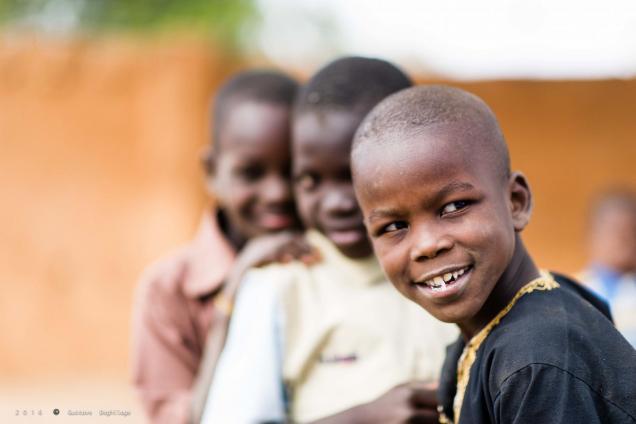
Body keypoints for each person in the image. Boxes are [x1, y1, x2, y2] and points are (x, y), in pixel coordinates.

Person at [351, 85, 636, 423]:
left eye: (454, 207)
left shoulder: (538, 361)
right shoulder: (488, 332)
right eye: (394, 226)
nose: (427, 245)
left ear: (516, 202)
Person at [201, 57, 458, 424]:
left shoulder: (450, 267)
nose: (336, 202)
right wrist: (361, 419)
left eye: (352, 175)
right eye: (309, 179)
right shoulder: (279, 286)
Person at [131, 70, 309, 424]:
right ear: (212, 172)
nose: (278, 193)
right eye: (251, 173)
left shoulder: (339, 264)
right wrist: (233, 292)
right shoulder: (169, 290)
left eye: (293, 171)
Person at [580, 188, 636, 346]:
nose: (623, 241)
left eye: (631, 232)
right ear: (592, 234)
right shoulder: (570, 290)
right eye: (615, 230)